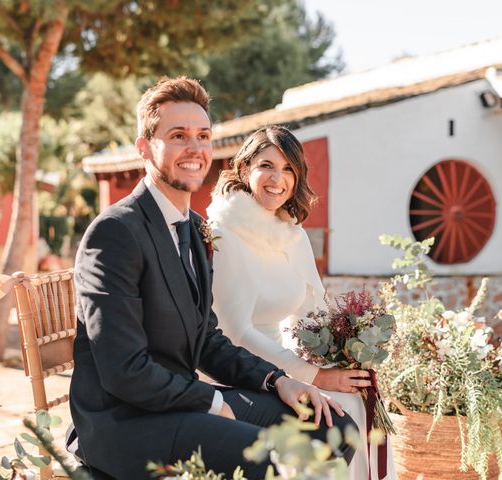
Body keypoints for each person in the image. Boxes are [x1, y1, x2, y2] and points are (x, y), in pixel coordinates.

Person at [66, 78, 358, 480]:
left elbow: (207, 339)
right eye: (178, 136)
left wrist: (278, 381)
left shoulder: (195, 228)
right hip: (125, 423)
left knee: (336, 428)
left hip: (180, 404)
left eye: (203, 136)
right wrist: (213, 403)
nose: (195, 148)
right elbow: (124, 371)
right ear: (145, 147)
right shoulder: (115, 232)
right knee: (271, 457)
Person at [207, 125, 396, 480]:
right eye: (266, 165)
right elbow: (235, 332)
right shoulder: (224, 232)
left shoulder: (290, 233)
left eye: (289, 169)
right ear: (245, 169)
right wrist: (314, 376)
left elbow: (312, 314)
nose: (277, 179)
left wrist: (346, 356)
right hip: (238, 372)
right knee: (334, 411)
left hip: (285, 368)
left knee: (357, 397)